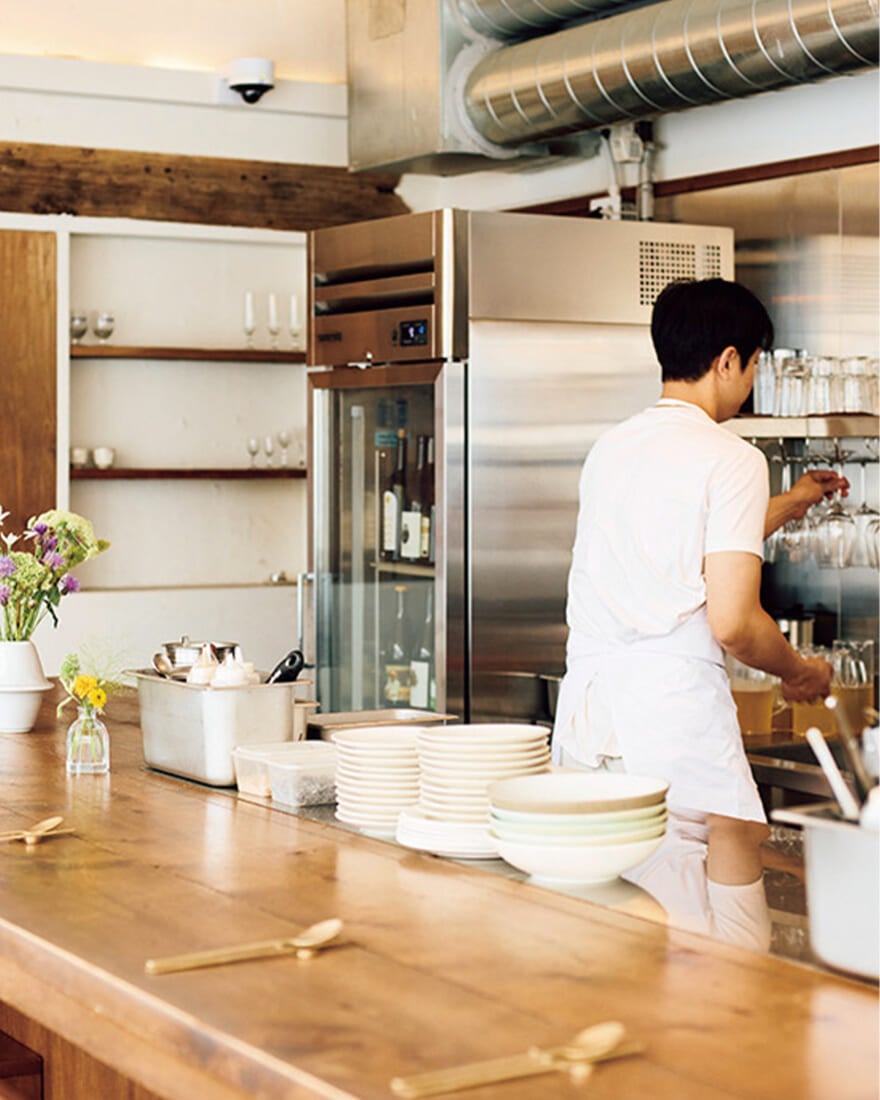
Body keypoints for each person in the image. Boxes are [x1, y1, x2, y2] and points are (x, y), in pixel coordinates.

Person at [551, 278, 848, 951]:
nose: (749, 382)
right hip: (671, 714)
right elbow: (734, 622)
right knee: (724, 870)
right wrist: (798, 673)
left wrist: (790, 504)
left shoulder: (612, 448)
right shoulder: (733, 458)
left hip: (589, 715)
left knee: (608, 918)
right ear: (728, 361)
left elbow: (681, 552)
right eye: (752, 366)